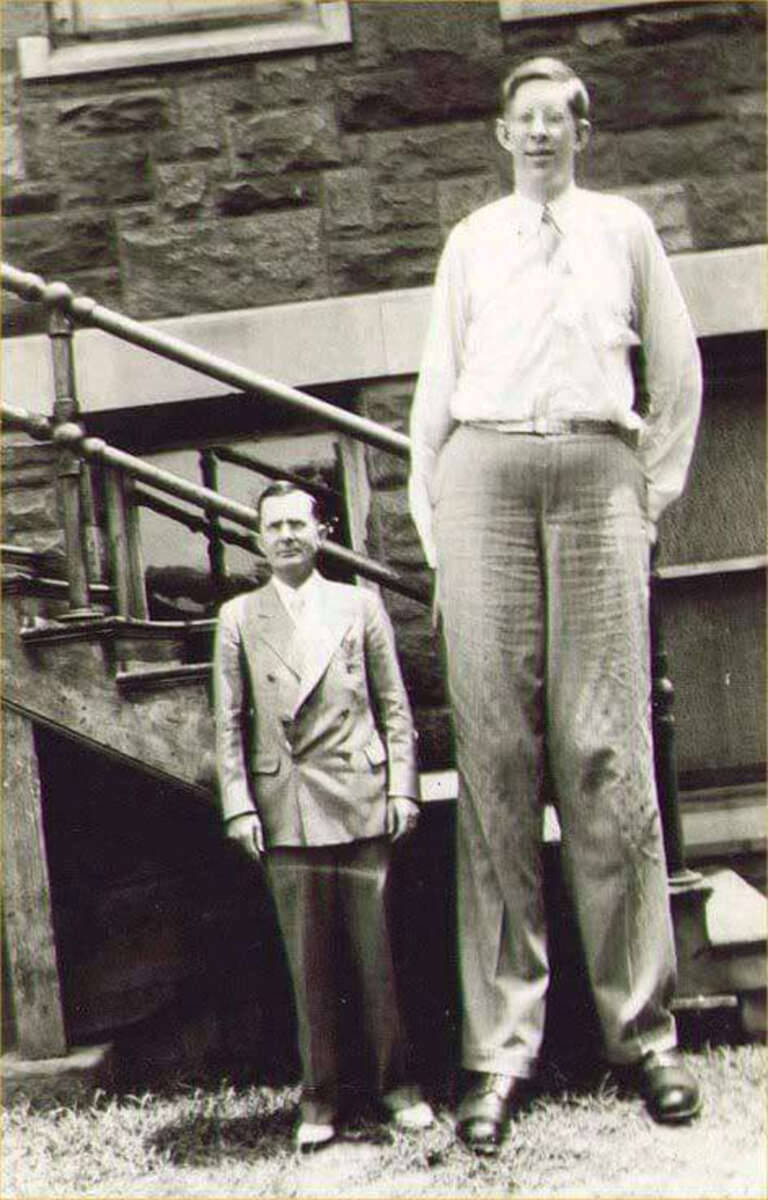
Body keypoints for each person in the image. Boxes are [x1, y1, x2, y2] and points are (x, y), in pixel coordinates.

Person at [408, 57, 703, 1153]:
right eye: (522, 121)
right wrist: (443, 518)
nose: (539, 135)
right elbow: (437, 387)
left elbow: (675, 378)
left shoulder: (623, 229)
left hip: (596, 478)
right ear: (500, 135)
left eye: (556, 119)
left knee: (606, 753)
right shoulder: (472, 241)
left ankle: (646, 1034)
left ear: (581, 130)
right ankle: (498, 1055)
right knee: (494, 758)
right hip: (485, 472)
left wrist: (648, 500)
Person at [213, 480, 434, 1150]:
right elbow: (227, 722)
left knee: (379, 959)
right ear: (258, 540)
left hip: (362, 799)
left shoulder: (357, 605)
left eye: (298, 524)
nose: (285, 536)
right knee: (307, 966)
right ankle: (319, 1104)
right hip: (288, 806)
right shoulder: (239, 617)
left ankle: (401, 1090)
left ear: (321, 533)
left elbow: (394, 706)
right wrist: (238, 804)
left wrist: (403, 789)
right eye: (273, 526)